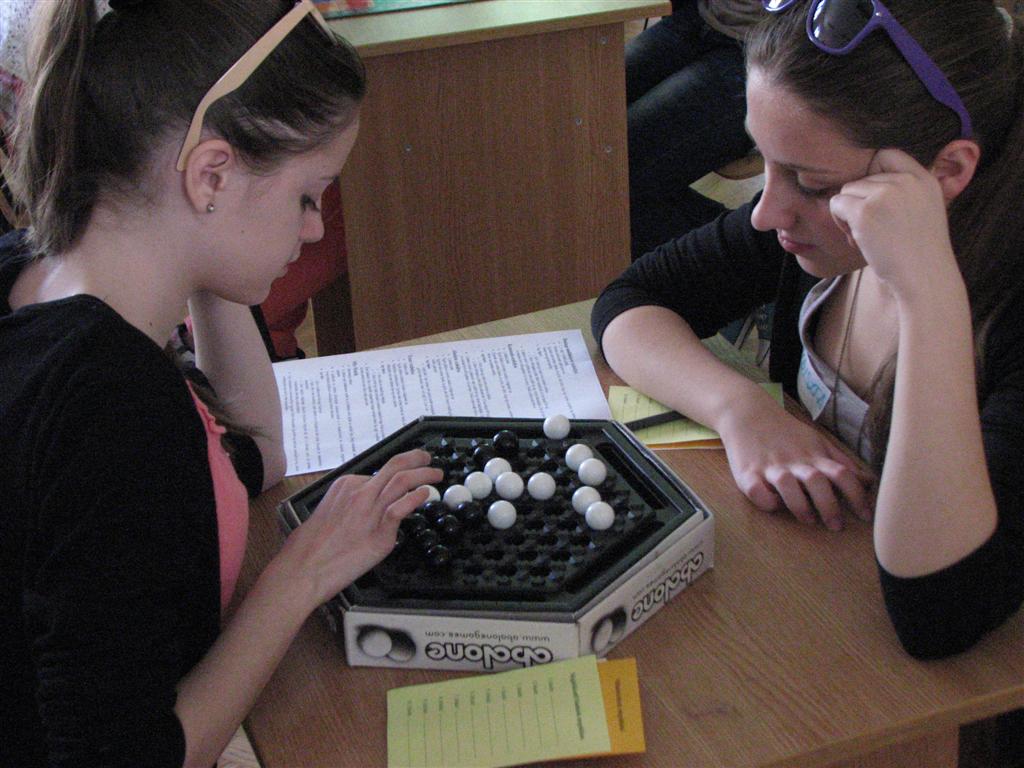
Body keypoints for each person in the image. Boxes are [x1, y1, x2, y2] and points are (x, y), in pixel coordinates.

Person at [0, 1, 442, 766]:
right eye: (308, 195)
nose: (313, 227)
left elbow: (249, 456)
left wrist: (208, 250)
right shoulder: (112, 409)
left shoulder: (35, 277)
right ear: (211, 172)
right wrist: (300, 574)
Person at [595, 0, 1024, 659]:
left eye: (813, 183)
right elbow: (631, 302)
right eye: (763, 159)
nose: (765, 213)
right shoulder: (811, 231)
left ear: (947, 171)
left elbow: (937, 612)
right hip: (820, 607)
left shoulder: (1001, 311)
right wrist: (740, 410)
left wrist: (929, 294)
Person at [626, 0, 762, 259]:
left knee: (612, 166)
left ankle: (749, 254)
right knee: (580, 123)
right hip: (703, 17)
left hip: (766, 55)